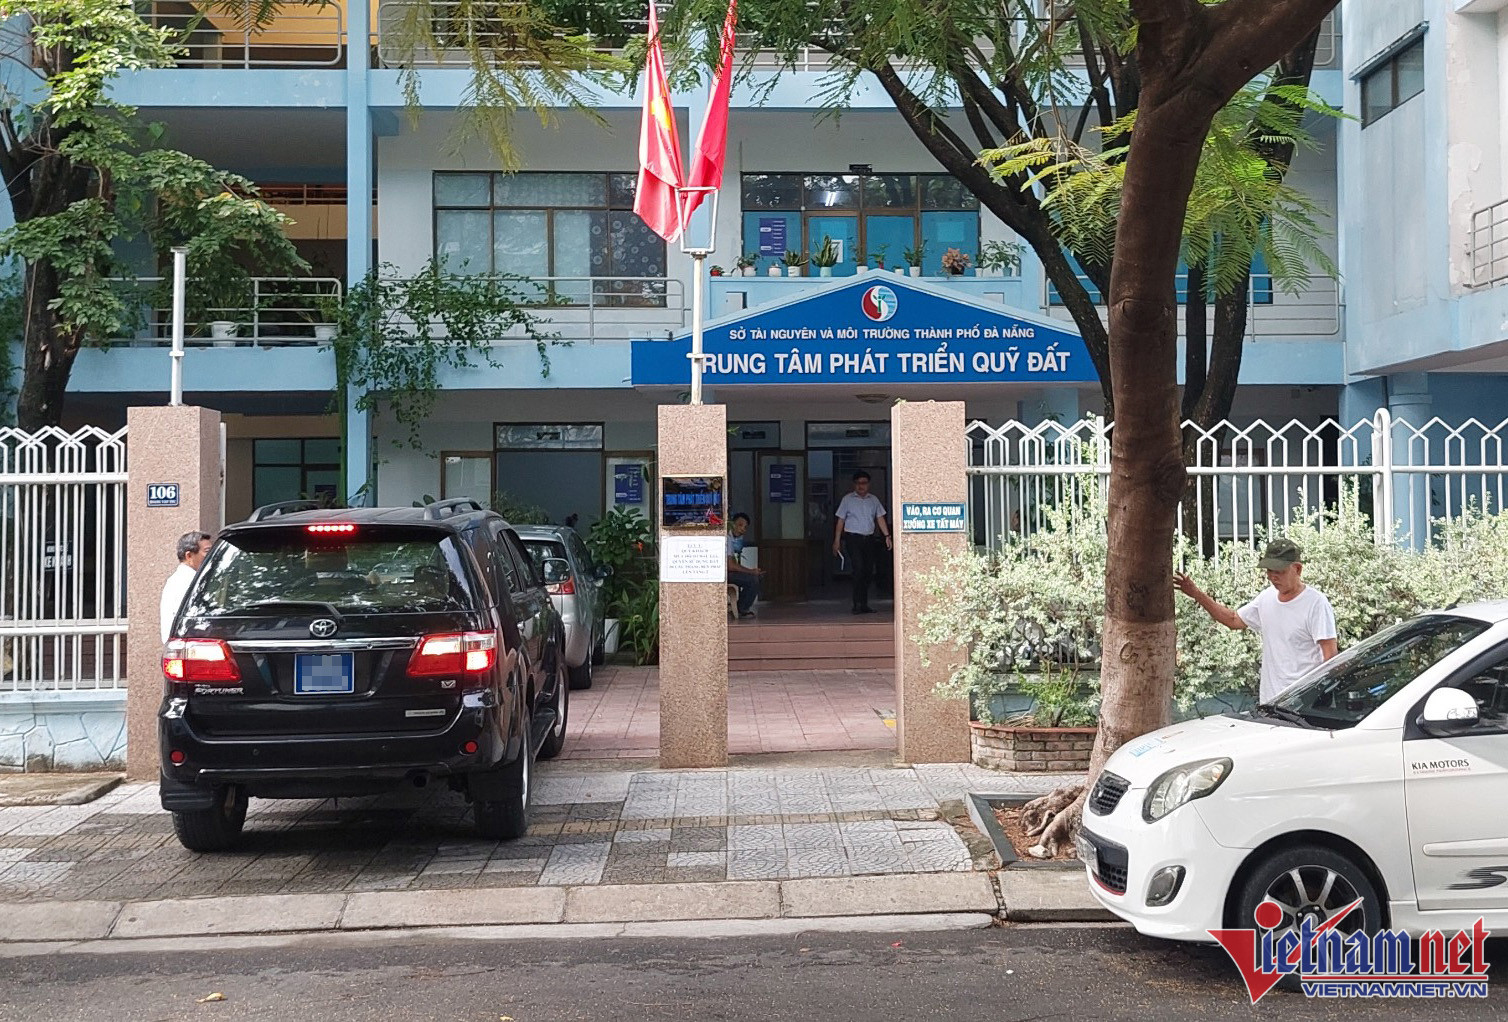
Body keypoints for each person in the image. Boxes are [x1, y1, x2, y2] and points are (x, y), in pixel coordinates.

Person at [1175, 537, 1339, 703]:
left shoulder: (1316, 603)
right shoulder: (1266, 597)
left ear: (1297, 569)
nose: (1273, 577)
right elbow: (1233, 620)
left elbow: (1330, 658)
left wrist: (1318, 700)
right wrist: (1196, 594)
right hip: (1271, 701)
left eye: (1279, 571)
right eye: (1269, 570)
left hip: (1305, 702)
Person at [832, 470, 892, 614]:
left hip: (869, 539)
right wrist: (837, 540)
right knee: (858, 568)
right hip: (853, 539)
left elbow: (880, 518)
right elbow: (840, 520)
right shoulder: (847, 500)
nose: (861, 486)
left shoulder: (874, 500)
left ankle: (864, 604)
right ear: (854, 484)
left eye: (864, 483)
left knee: (868, 571)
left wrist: (887, 536)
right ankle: (857, 604)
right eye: (858, 483)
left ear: (868, 484)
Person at [160, 531, 213, 643]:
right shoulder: (184, 581)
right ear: (189, 556)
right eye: (207, 552)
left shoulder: (190, 579)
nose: (212, 557)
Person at [726, 512, 763, 618]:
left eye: (745, 527)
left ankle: (739, 607)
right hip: (723, 574)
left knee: (756, 577)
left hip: (728, 572)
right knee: (753, 579)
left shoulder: (734, 540)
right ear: (732, 524)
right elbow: (731, 566)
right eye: (740, 525)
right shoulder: (727, 538)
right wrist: (751, 571)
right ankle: (742, 609)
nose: (742, 529)